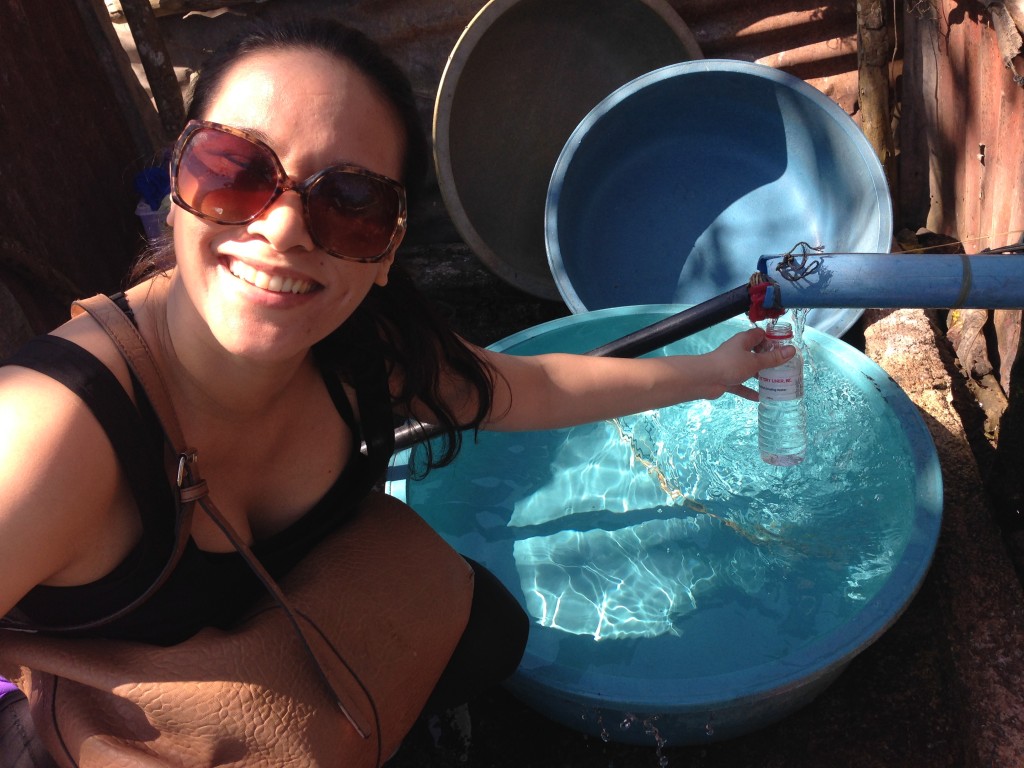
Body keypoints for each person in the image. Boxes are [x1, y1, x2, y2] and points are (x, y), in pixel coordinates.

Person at [0, 16, 795, 765]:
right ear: (176, 180)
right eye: (237, 169)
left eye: (348, 202)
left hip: (278, 639)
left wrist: (708, 372)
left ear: (386, 251)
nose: (283, 229)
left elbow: (528, 385)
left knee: (485, 629)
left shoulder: (356, 348)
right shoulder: (52, 431)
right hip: (112, 725)